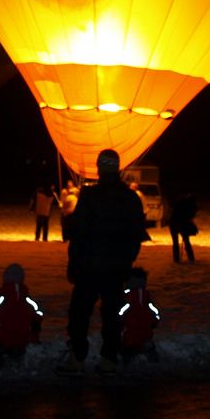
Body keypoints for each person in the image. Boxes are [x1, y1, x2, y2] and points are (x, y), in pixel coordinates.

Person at [55, 150, 147, 377]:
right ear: (119, 169)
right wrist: (127, 260)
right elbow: (137, 234)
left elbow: (79, 233)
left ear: (99, 168)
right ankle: (109, 358)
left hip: (89, 265)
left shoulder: (89, 196)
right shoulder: (131, 198)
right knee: (112, 313)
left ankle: (77, 357)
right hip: (116, 267)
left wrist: (73, 263)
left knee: (79, 312)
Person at [0, 263, 43, 370]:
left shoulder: (0, 300)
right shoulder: (29, 301)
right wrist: (34, 340)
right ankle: (16, 353)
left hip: (2, 338)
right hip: (22, 339)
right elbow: (37, 319)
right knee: (18, 339)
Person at [117, 266, 160, 364]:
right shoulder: (146, 297)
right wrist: (155, 321)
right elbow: (154, 312)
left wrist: (118, 320)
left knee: (127, 339)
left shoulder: (127, 298)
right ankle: (146, 346)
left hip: (130, 331)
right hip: (146, 331)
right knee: (143, 334)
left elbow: (121, 313)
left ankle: (129, 351)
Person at [169, 193, 197, 263]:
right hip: (182, 223)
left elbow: (171, 204)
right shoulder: (191, 206)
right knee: (186, 240)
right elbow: (191, 215)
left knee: (175, 241)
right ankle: (191, 258)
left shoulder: (180, 201)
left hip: (174, 222)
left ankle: (176, 259)